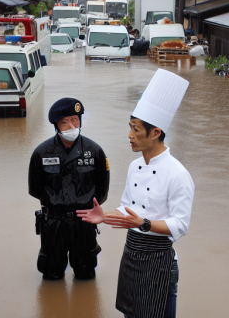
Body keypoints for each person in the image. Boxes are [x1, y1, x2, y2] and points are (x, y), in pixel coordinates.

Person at [77, 69, 194, 318]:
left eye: (136, 129)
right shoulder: (134, 166)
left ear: (155, 133)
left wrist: (144, 223)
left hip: (159, 263)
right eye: (130, 127)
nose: (130, 135)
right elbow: (128, 208)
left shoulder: (178, 174)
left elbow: (180, 225)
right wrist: (105, 216)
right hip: (131, 255)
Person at [28, 98, 110, 280]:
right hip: (53, 223)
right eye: (64, 122)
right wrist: (57, 205)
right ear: (56, 126)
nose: (71, 126)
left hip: (84, 222)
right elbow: (35, 189)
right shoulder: (41, 153)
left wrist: (86, 206)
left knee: (85, 273)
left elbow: (102, 189)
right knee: (51, 273)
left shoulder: (94, 151)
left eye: (75, 120)